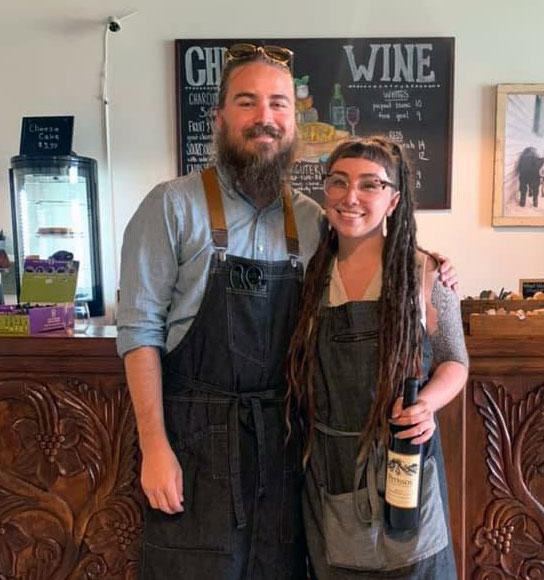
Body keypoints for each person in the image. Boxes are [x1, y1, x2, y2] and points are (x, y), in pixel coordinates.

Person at [117, 44, 459, 580]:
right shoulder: (171, 205)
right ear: (221, 116)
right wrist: (154, 446)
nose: (265, 119)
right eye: (248, 103)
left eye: (278, 105)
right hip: (194, 449)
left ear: (294, 120)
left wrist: (431, 266)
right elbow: (138, 331)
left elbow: (374, 247)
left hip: (286, 454)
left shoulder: (311, 219)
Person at [287, 136, 469, 579]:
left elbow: (454, 361)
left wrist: (427, 404)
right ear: (325, 192)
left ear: (393, 200)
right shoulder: (306, 273)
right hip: (329, 473)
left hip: (405, 470)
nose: (351, 197)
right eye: (339, 182)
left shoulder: (423, 273)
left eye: (370, 185)